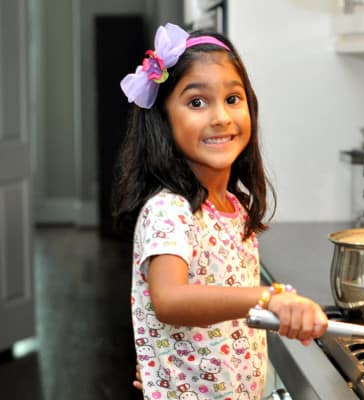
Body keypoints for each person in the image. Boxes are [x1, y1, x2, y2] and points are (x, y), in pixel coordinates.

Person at [112, 23, 328, 400]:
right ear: (164, 120)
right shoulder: (170, 208)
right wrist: (266, 298)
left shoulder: (233, 207)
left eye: (233, 98)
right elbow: (170, 300)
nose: (221, 117)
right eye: (197, 102)